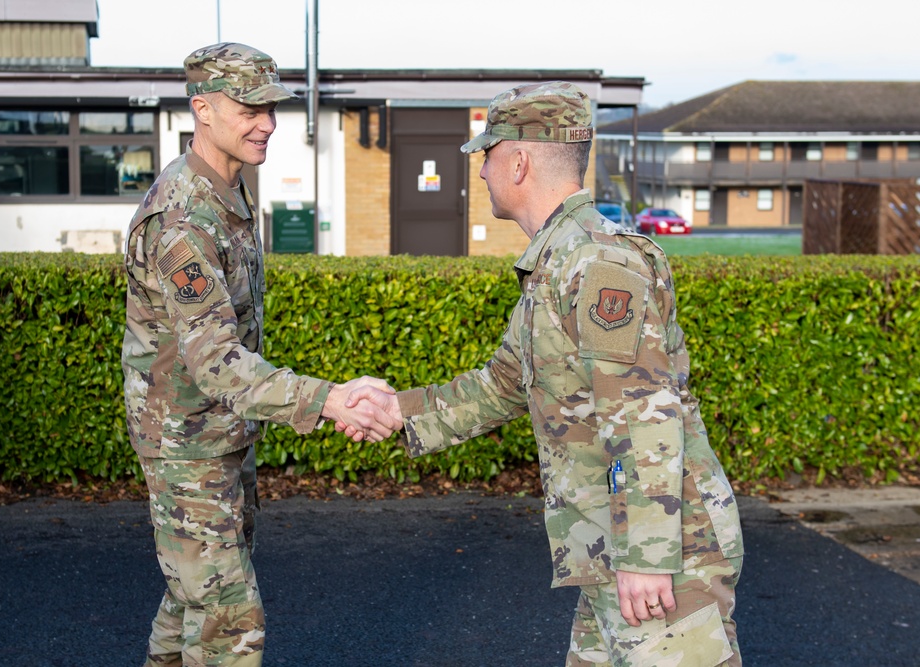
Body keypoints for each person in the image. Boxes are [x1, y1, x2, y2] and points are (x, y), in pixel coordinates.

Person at [342, 81, 745, 666]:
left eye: (488, 154)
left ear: (520, 161)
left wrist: (646, 559)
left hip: (662, 558)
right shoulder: (558, 260)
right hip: (613, 545)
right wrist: (395, 411)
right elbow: (503, 383)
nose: (481, 172)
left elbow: (644, 412)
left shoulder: (597, 262)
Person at [121, 43, 396, 667]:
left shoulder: (228, 194)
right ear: (203, 110)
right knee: (228, 620)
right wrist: (331, 400)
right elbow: (217, 362)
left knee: (193, 596)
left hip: (219, 434)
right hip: (187, 441)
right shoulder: (183, 219)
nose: (267, 122)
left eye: (271, 107)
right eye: (250, 107)